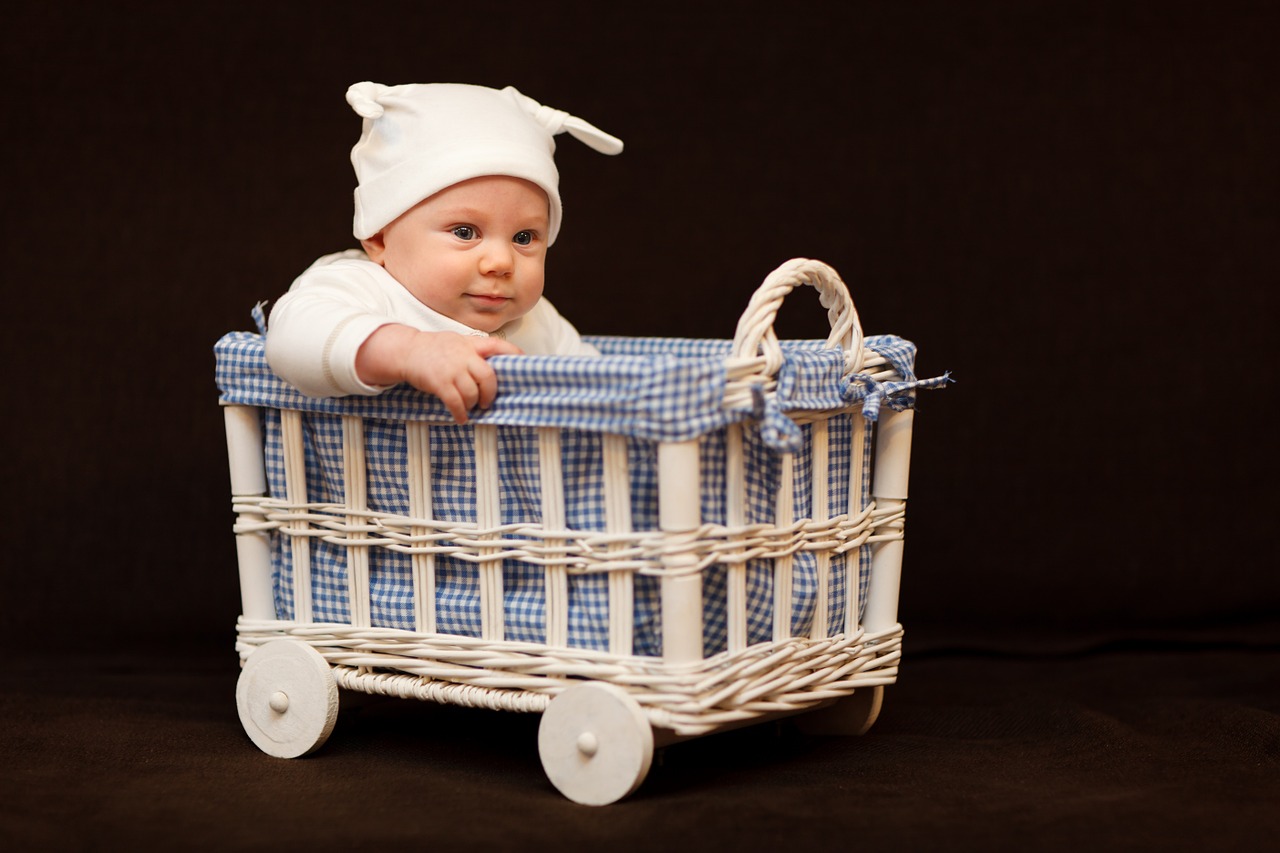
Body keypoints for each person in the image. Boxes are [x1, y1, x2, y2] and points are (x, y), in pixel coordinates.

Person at [265, 82, 622, 423]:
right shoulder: (363, 287)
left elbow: (600, 392)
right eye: (465, 232)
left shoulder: (537, 322)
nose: (500, 262)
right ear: (379, 238)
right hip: (373, 485)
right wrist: (409, 351)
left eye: (525, 237)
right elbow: (291, 339)